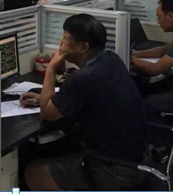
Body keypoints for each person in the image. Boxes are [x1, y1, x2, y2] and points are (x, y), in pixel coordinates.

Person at [21, 14, 149, 191]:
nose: (61, 43)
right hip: (139, 160)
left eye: (66, 38)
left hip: (115, 170)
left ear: (83, 47)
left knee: (32, 171)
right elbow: (87, 94)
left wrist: (51, 68)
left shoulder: (82, 78)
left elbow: (47, 113)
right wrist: (43, 97)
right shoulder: (111, 59)